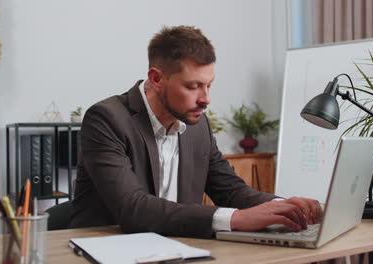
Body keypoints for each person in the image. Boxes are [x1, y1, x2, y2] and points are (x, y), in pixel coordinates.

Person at [69, 25, 323, 238]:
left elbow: (230, 190)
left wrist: (284, 207)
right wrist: (237, 218)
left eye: (209, 85)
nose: (206, 99)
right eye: (193, 86)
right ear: (156, 79)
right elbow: (132, 208)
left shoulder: (197, 125)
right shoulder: (107, 119)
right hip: (104, 250)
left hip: (175, 246)